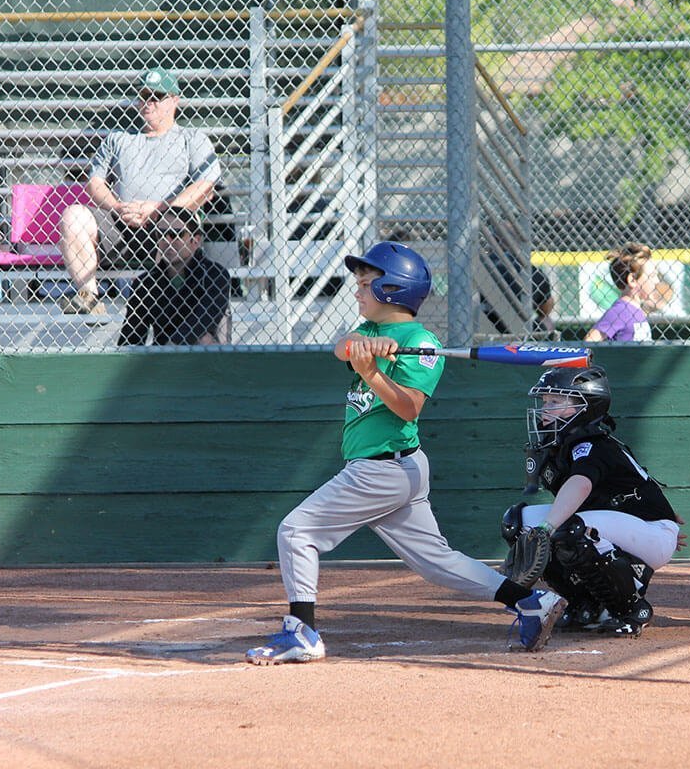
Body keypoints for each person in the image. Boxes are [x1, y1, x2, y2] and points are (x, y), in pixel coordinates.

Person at [246, 241, 566, 664]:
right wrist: (364, 351)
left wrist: (372, 373)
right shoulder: (372, 332)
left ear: (393, 291)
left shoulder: (422, 341)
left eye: (365, 284)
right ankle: (530, 602)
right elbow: (340, 347)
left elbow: (408, 406)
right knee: (436, 562)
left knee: (296, 531)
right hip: (394, 468)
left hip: (383, 469)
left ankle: (301, 632)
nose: (357, 291)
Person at [503, 365, 685, 637]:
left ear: (585, 407)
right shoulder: (559, 449)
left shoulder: (594, 444)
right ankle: (584, 604)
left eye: (555, 401)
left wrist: (546, 528)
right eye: (544, 401)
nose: (544, 409)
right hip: (619, 525)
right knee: (517, 523)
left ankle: (632, 608)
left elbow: (581, 484)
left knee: (568, 528)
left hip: (651, 531)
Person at [58, 67, 222, 315]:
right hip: (121, 221)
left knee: (178, 225)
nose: (149, 103)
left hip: (168, 222)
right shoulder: (119, 138)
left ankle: (175, 303)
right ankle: (88, 297)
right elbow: (95, 182)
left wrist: (158, 209)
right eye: (144, 96)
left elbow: (205, 185)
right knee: (73, 216)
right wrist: (117, 208)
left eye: (157, 96)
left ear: (174, 100)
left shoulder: (192, 138)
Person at [116, 207, 231, 346]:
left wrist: (171, 348)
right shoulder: (145, 283)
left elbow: (200, 324)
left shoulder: (215, 275)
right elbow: (130, 339)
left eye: (176, 234)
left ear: (195, 240)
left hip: (207, 360)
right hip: (162, 361)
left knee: (203, 339)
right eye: (161, 234)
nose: (167, 240)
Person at [584, 242, 660, 342]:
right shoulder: (620, 311)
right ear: (632, 280)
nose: (657, 281)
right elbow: (589, 342)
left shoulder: (635, 310)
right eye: (652, 276)